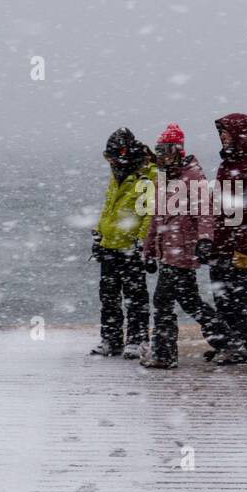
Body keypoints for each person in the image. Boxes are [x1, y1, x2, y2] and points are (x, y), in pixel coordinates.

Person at [140, 124, 226, 369]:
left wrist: (205, 240)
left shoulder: (192, 176)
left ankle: (164, 354)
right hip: (169, 251)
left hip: (182, 251)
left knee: (163, 301)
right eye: (159, 151)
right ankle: (226, 340)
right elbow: (156, 218)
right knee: (190, 301)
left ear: (178, 150)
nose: (162, 156)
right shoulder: (164, 178)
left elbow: (205, 212)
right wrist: (148, 251)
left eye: (165, 150)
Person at [208, 113, 247, 365]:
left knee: (244, 298)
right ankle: (229, 343)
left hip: (240, 245)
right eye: (221, 132)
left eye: (227, 132)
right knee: (223, 297)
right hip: (221, 243)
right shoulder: (227, 164)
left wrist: (244, 248)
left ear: (240, 135)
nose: (222, 136)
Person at [91, 128, 156, 358]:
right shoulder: (118, 172)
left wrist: (142, 243)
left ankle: (137, 339)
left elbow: (149, 213)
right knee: (108, 295)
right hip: (110, 244)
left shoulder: (146, 175)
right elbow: (109, 207)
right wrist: (100, 235)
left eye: (111, 157)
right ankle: (111, 339)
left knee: (135, 296)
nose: (109, 162)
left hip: (131, 247)